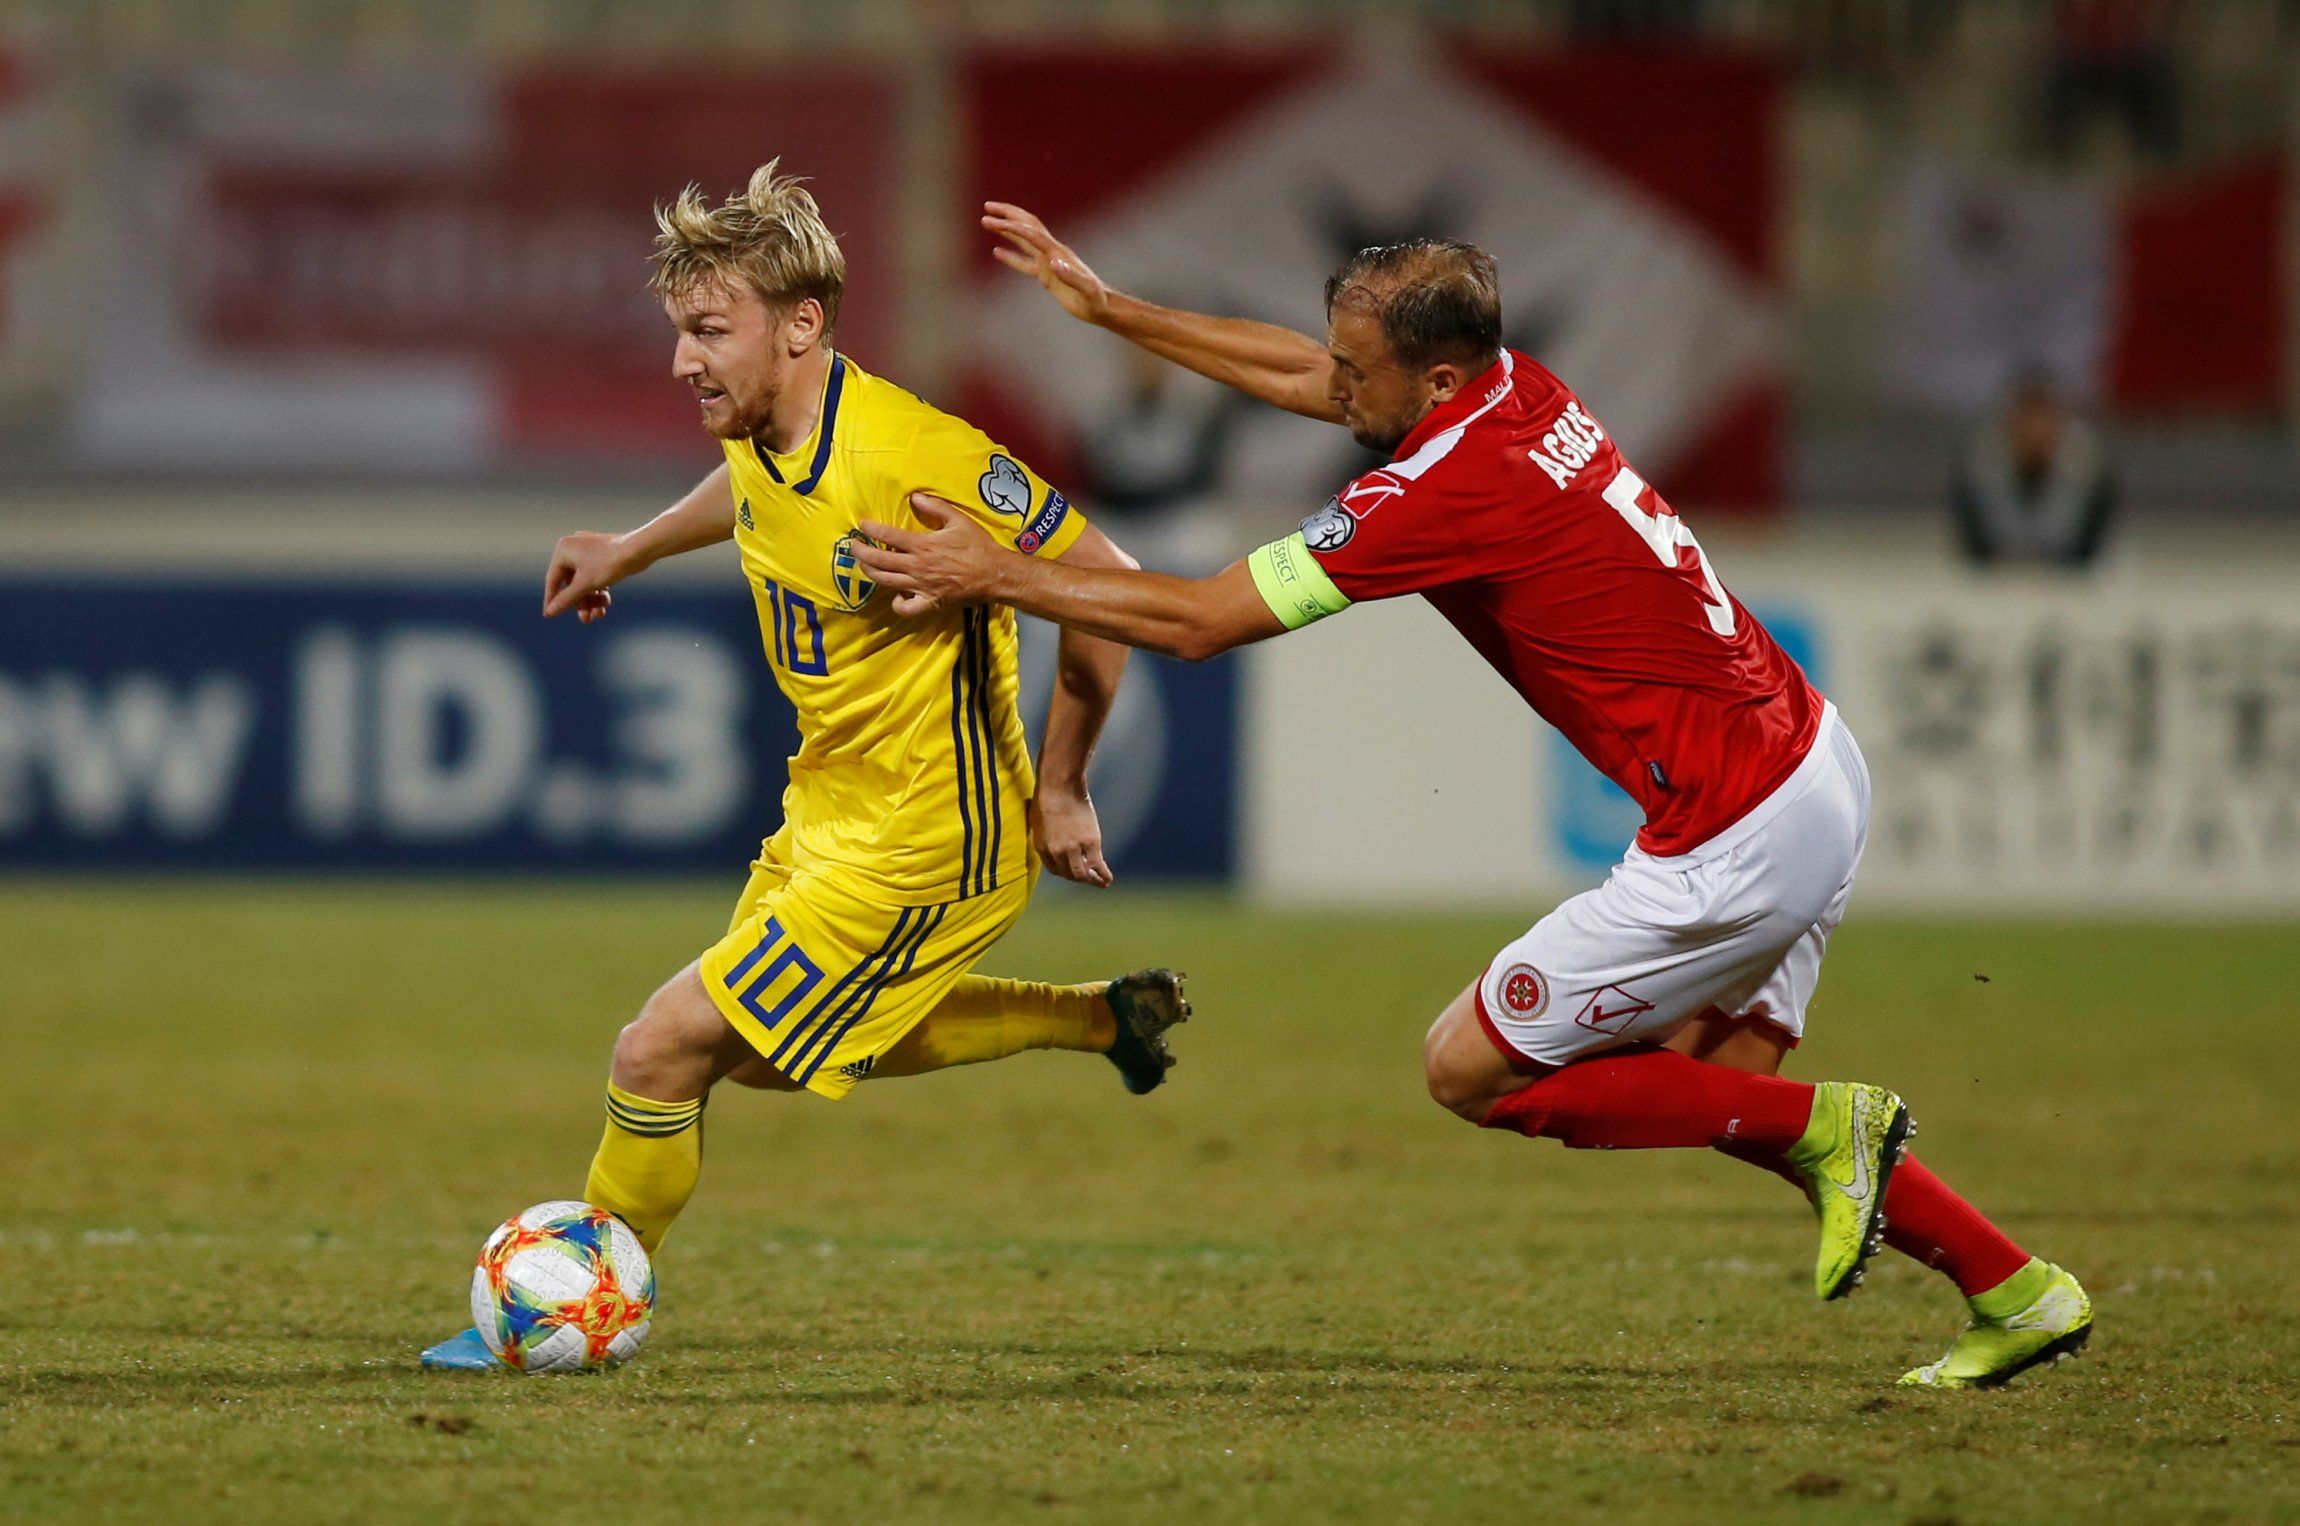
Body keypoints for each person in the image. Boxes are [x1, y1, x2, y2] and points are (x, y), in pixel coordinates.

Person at [850, 203, 2094, 1390]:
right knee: (1718, 1084)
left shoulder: (1442, 488)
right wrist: (1113, 309)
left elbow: (1194, 620)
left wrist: (995, 571)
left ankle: (1840, 1130)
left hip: (1738, 824)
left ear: (1433, 380)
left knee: (1468, 1068)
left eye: (1356, 370)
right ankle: (2014, 1289)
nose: (1333, 387)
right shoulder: (1513, 386)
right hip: (1810, 757)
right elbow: (1299, 372)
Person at [421, 166, 1189, 1370]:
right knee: (774, 1054)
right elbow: (749, 493)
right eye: (679, 331)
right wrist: (630, 546)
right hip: (831, 806)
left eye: (707, 330)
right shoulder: (765, 428)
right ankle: (1098, 1018)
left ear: (800, 326)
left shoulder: (911, 454)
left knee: (659, 1048)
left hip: (928, 839)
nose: (683, 360)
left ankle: (577, 1304)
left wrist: (1061, 782)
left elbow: (1112, 586)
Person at [1950, 370, 2117, 567]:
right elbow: (1975, 548)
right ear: (2010, 423)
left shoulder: (2090, 475)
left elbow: (2089, 550)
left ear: (2059, 423)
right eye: (2027, 420)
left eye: (2044, 420)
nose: (2035, 431)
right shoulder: (1979, 474)